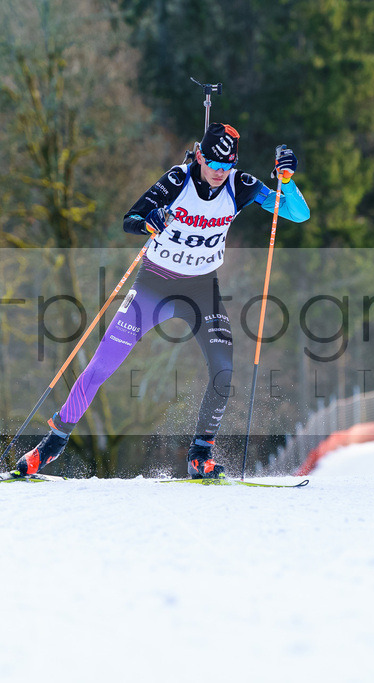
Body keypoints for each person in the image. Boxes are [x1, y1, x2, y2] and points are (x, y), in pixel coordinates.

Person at [17, 123, 311, 479]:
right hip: (154, 285)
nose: (220, 174)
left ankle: (200, 454)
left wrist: (287, 181)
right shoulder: (176, 180)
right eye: (214, 166)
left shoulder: (242, 186)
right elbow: (131, 220)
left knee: (224, 371)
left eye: (227, 167)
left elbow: (297, 213)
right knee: (101, 365)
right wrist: (149, 222)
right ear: (200, 156)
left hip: (202, 290)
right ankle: (50, 446)